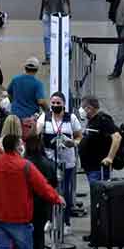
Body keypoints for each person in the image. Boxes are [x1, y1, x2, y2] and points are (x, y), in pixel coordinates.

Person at [36, 92, 83, 232]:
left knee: (65, 191)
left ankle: (66, 221)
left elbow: (79, 136)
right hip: (50, 161)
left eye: (58, 103)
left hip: (67, 161)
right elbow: (37, 132)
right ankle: (50, 219)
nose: (56, 105)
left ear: (63, 104)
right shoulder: (45, 117)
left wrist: (73, 143)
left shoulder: (71, 118)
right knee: (50, 190)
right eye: (53, 103)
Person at [78, 96, 121, 184]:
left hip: (98, 169)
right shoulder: (91, 121)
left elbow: (117, 137)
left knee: (100, 195)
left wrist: (110, 158)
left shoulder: (103, 119)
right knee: (96, 194)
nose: (81, 110)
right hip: (91, 168)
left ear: (89, 108)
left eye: (82, 107)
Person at [39, 0, 72, 65]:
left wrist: (69, 11)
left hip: (60, 12)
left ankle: (69, 50)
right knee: (46, 35)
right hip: (47, 12)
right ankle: (48, 56)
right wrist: (41, 12)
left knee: (63, 35)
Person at [8, 57, 47, 122]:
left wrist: (15, 104)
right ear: (37, 69)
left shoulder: (15, 79)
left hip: (14, 116)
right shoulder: (37, 83)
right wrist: (47, 110)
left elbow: (9, 95)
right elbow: (41, 101)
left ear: (25, 68)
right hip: (29, 118)